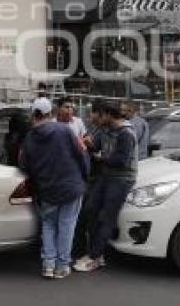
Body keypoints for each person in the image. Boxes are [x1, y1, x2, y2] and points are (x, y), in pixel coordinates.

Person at [19, 97, 90, 280]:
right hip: (70, 186)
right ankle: (61, 266)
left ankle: (48, 266)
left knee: (48, 226)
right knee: (67, 226)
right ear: (50, 113)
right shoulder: (64, 131)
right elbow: (81, 155)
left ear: (34, 114)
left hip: (47, 189)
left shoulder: (29, 138)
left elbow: (24, 164)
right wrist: (85, 175)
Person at [73, 104, 138, 273]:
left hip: (122, 178)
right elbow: (97, 148)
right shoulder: (105, 130)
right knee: (90, 209)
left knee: (106, 217)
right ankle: (95, 253)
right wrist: (89, 144)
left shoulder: (126, 133)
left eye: (100, 116)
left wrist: (101, 158)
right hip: (107, 176)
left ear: (109, 115)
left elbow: (121, 160)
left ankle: (95, 256)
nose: (97, 120)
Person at [72, 101, 112, 258]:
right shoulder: (95, 129)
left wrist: (90, 147)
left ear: (100, 114)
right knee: (84, 216)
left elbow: (103, 153)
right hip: (90, 178)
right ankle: (82, 250)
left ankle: (93, 253)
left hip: (97, 179)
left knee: (90, 216)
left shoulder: (105, 131)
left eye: (92, 113)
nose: (89, 117)